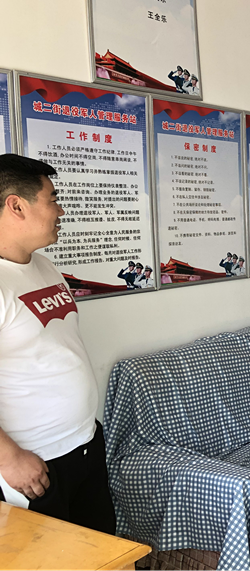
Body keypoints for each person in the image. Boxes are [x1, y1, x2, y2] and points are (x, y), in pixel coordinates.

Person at [0, 153, 116, 533]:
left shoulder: (44, 266)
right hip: (35, 465)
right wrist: (9, 459)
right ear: (17, 206)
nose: (60, 209)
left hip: (84, 444)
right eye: (52, 199)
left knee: (102, 550)